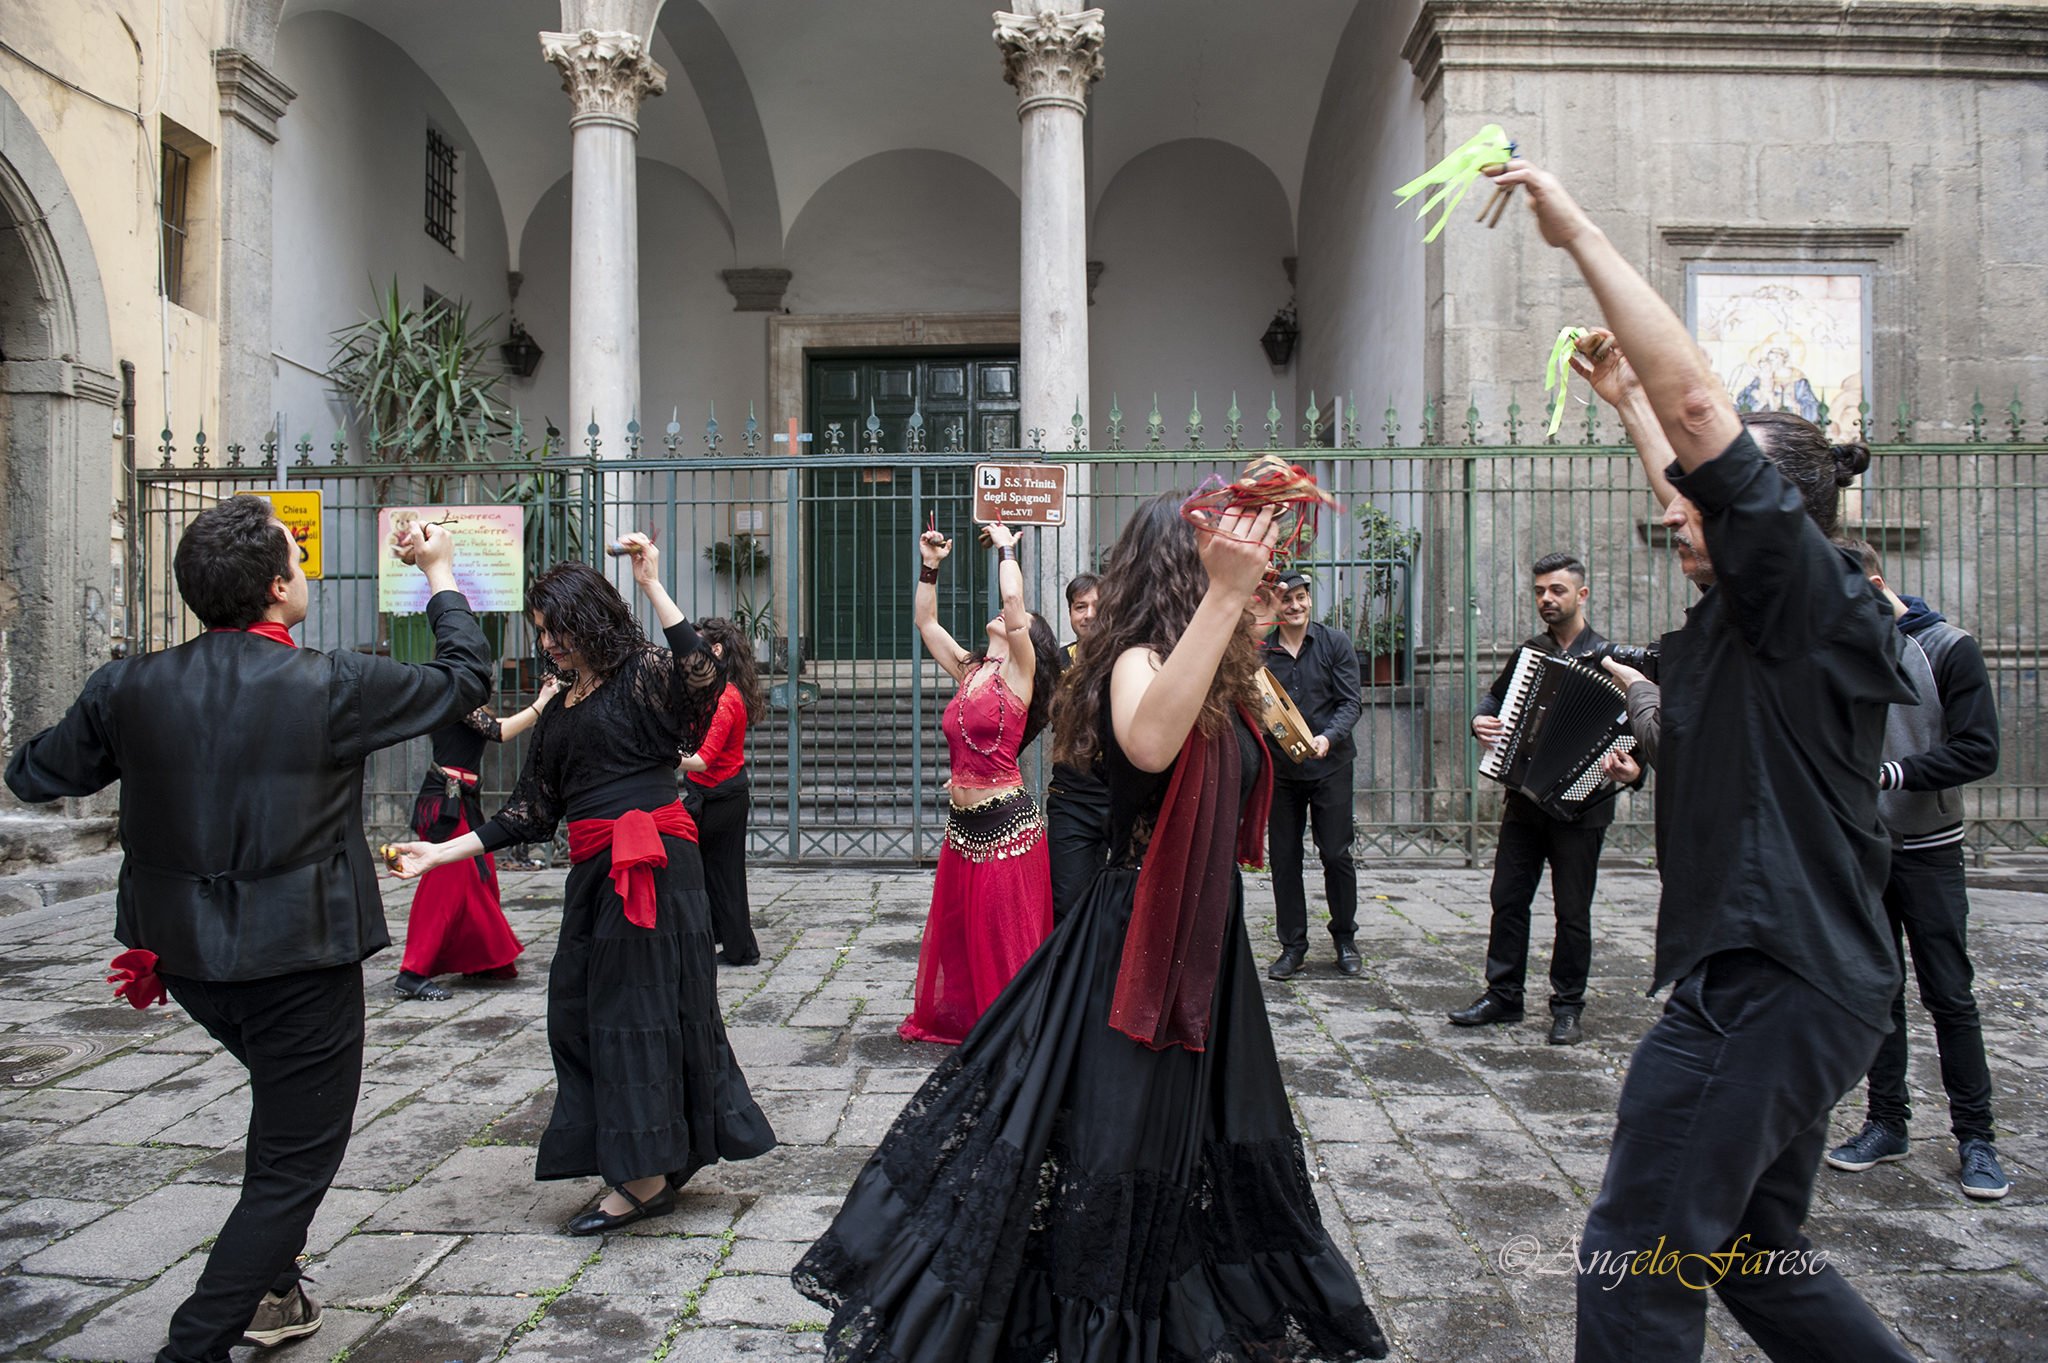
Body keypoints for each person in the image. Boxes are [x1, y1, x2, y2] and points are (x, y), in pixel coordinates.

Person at [793, 490, 1388, 1362]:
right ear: (1181, 568)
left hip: (1203, 936)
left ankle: (1173, 1292)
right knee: (1111, 1132)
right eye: (1212, 556)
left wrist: (1244, 611)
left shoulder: (1211, 659)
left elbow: (1278, 748)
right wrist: (1226, 598)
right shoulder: (1135, 661)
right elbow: (1149, 745)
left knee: (1194, 1137)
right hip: (1137, 935)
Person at [1490, 153, 1919, 1361]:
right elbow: (1678, 458)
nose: (1674, 508)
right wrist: (1623, 400)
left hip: (1766, 982)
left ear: (1765, 515)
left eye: (1702, 501)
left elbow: (1699, 423)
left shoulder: (1799, 590)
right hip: (1808, 981)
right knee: (1748, 1255)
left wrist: (1574, 232)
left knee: (1638, 1262)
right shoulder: (1757, 608)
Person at [4, 495, 492, 1362]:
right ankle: (194, 1343)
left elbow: (39, 774)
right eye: (297, 566)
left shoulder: (128, 686)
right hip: (297, 961)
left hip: (184, 961)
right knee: (293, 1164)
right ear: (275, 587)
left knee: (283, 1116)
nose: (303, 577)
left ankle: (277, 1287)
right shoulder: (329, 682)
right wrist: (440, 572)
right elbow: (464, 678)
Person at [388, 542, 774, 1235]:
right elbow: (529, 812)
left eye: (551, 629)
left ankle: (644, 1179)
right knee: (581, 1013)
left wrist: (653, 583)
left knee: (639, 1013)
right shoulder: (561, 708)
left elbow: (704, 676)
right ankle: (656, 1152)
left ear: (585, 619)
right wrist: (439, 853)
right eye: (540, 631)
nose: (545, 644)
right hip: (595, 874)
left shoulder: (647, 674)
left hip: (655, 865)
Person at [1824, 542, 2008, 1200]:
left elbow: (1979, 748)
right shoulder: (1842, 654)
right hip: (1864, 850)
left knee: (1950, 996)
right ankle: (1887, 1122)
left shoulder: (1948, 648)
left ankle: (1977, 1139)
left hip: (1930, 849)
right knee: (1881, 995)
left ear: (1876, 584)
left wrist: (1895, 773)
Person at [897, 521, 1060, 1044]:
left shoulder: (1020, 673)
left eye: (1018, 620)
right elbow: (925, 620)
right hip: (962, 830)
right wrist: (931, 563)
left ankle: (1018, 1034)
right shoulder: (971, 671)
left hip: (1006, 825)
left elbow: (1013, 598)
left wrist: (1007, 544)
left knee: (1001, 936)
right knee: (964, 935)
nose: (1007, 614)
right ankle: (977, 1024)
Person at [1450, 552, 1618, 1044]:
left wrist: (1627, 766)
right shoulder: (1531, 652)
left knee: (1572, 911)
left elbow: (1632, 729)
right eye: (1541, 590)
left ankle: (1567, 1006)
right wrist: (1483, 721)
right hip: (1525, 800)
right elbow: (1493, 700)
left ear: (1581, 595)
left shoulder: (1609, 660)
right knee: (1507, 899)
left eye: (1557, 591)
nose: (1547, 598)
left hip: (1581, 808)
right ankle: (1503, 996)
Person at [391, 675, 562, 1001]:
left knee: (480, 880)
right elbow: (499, 732)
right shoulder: (454, 700)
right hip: (445, 804)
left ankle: (480, 960)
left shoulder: (462, 704)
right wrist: (541, 702)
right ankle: (411, 973)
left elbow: (495, 723)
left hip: (461, 800)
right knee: (447, 882)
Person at [1260, 569, 1365, 980]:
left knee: (1337, 854)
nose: (1296, 605)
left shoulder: (1334, 643)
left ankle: (1344, 939)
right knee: (1284, 859)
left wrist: (1327, 738)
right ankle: (1293, 946)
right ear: (1276, 604)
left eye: (1301, 597)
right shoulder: (1261, 653)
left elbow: (1351, 704)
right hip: (1281, 772)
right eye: (1287, 599)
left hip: (1331, 766)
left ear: (1308, 599)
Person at [677, 616, 767, 967]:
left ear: (715, 649)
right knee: (715, 871)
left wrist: (656, 752)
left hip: (720, 797)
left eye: (695, 644)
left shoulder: (726, 698)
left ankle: (738, 948)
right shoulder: (712, 690)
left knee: (715, 872)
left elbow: (701, 760)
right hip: (710, 794)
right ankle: (731, 943)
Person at [1044, 572, 1108, 921]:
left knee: (1126, 903)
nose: (1088, 614)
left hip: (1126, 799)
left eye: (1097, 605)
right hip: (1072, 800)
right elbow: (1030, 717)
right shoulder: (1056, 664)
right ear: (1070, 613)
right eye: (1079, 606)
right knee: (1067, 903)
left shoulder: (1129, 659)